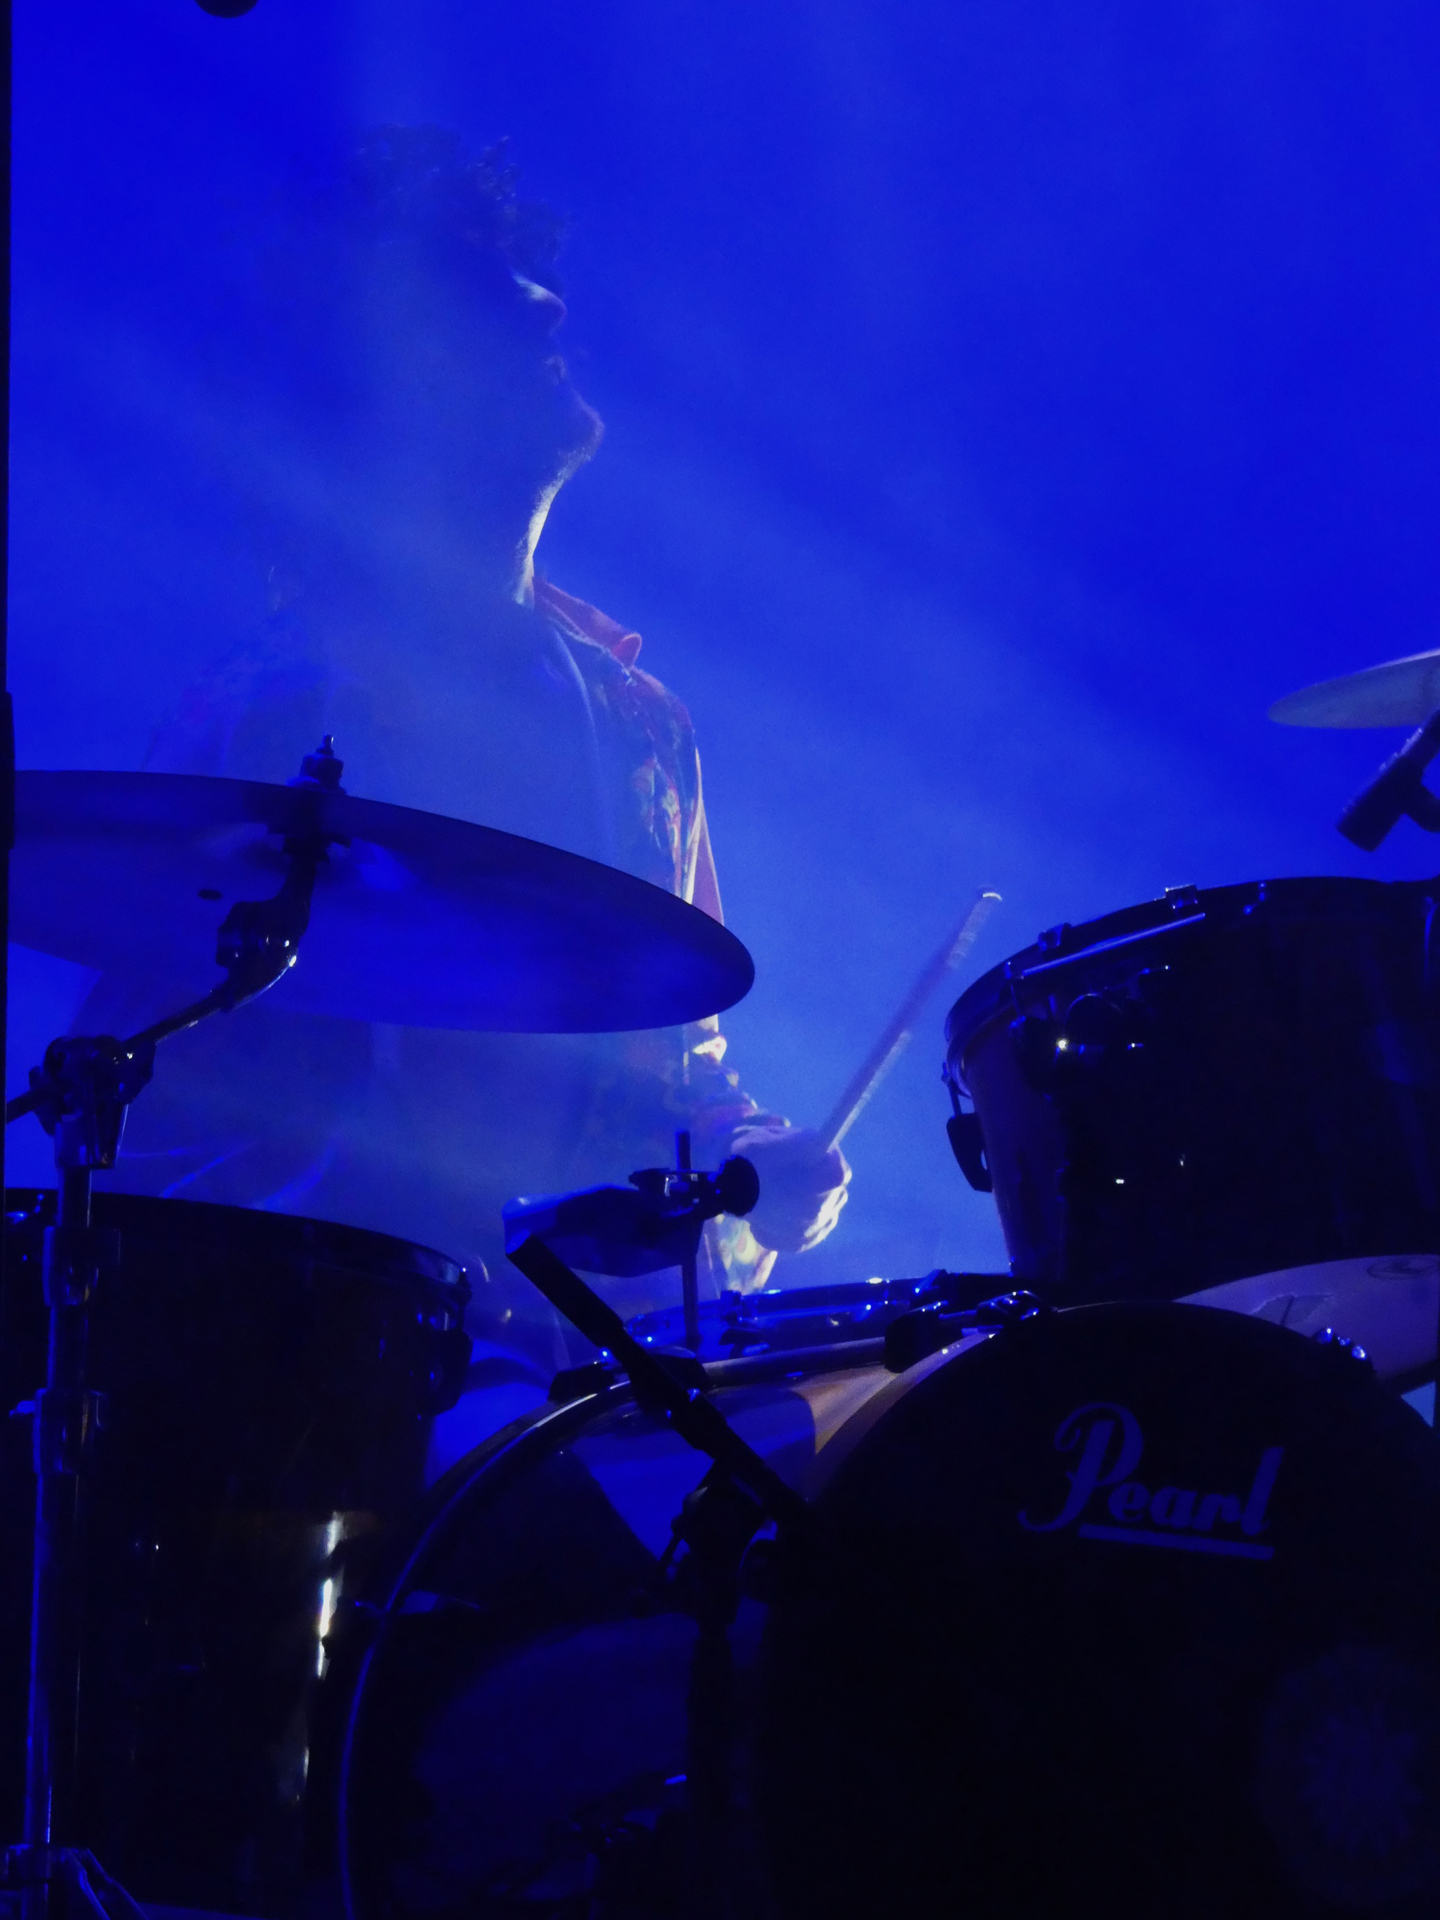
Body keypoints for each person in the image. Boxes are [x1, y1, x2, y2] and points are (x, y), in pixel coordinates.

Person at [81, 127, 849, 1375]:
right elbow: (156, 1127)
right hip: (357, 1373)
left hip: (603, 1365)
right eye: (490, 295)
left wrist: (748, 1158)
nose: (550, 304)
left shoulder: (640, 720)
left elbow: (675, 1062)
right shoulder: (268, 721)